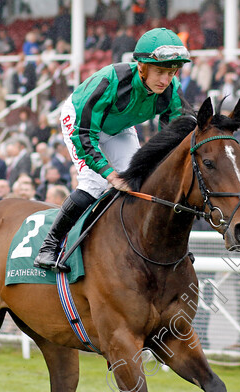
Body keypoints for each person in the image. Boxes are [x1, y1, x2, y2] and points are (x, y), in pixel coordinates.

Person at [34, 28, 190, 272]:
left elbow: (174, 138)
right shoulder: (110, 80)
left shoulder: (172, 90)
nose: (165, 80)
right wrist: (109, 173)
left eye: (171, 73)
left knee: (140, 180)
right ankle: (49, 246)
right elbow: (84, 134)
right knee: (95, 183)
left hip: (120, 125)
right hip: (81, 123)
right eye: (160, 71)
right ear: (141, 67)